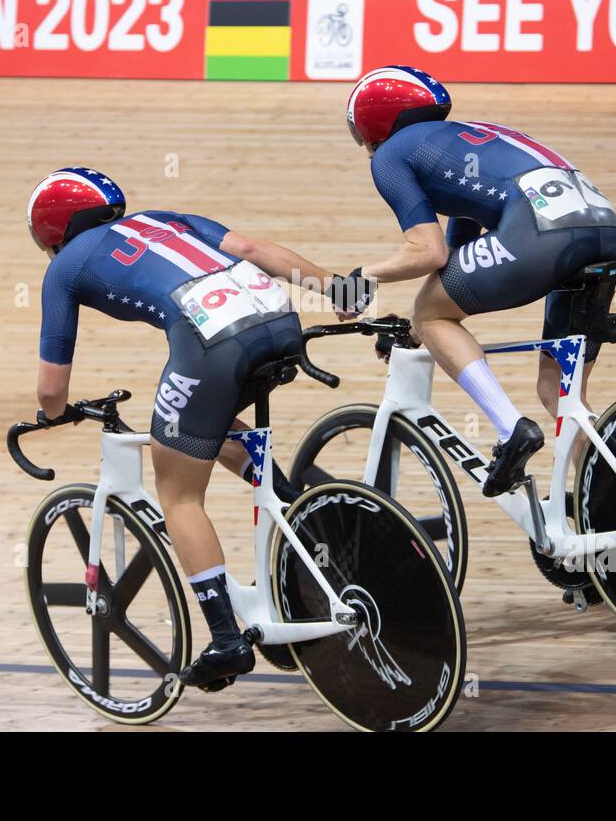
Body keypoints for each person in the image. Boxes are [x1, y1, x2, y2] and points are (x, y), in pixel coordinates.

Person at [27, 168, 368, 690]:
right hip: (280, 318)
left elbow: (52, 390)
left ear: (50, 233)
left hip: (214, 342)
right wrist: (337, 288)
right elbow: (254, 248)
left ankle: (226, 638)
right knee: (197, 423)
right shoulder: (164, 219)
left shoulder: (64, 268)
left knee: (178, 491)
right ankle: (289, 500)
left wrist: (53, 416)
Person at [343, 66, 616, 496]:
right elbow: (455, 261)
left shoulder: (391, 155)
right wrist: (418, 334)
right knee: (559, 393)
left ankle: (512, 429)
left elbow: (428, 251)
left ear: (369, 124)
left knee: (431, 313)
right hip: (606, 233)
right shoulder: (467, 139)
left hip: (542, 234)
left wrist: (364, 278)